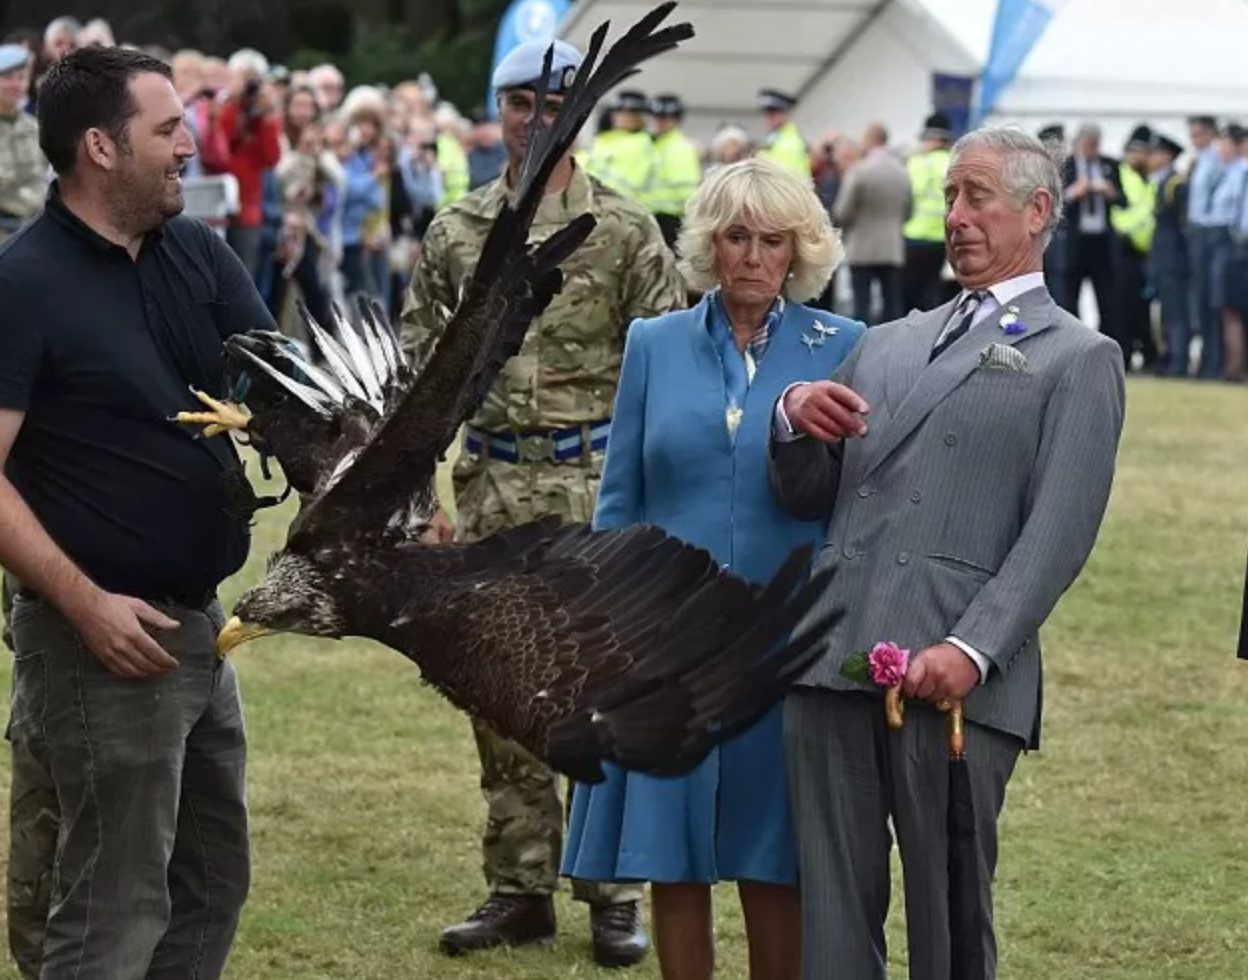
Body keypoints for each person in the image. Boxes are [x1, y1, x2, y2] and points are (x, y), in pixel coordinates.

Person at [768, 125, 1126, 980]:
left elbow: (1059, 533)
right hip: (831, 663)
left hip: (955, 677)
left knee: (951, 924)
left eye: (978, 196)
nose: (957, 215)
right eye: (951, 198)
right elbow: (809, 496)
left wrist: (972, 649)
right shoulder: (885, 341)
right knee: (832, 921)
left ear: (1038, 211)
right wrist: (791, 421)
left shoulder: (1081, 357)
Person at [400, 38, 685, 968]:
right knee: (499, 691)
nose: (534, 118)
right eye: (518, 102)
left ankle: (613, 891)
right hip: (489, 489)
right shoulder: (454, 232)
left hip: (596, 488)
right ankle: (520, 885)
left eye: (552, 101)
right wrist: (416, 498)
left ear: (581, 111)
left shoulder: (628, 231)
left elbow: (672, 372)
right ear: (502, 112)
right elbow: (415, 379)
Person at [0, 45, 274, 979]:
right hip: (100, 643)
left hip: (199, 624)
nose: (190, 145)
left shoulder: (196, 251)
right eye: (167, 129)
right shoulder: (20, 283)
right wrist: (86, 604)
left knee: (209, 884)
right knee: (113, 907)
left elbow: (289, 395)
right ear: (99, 148)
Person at [562, 155, 864, 980]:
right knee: (673, 848)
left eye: (774, 240)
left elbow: (856, 504)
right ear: (708, 244)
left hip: (788, 641)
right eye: (737, 236)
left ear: (801, 250)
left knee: (777, 850)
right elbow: (619, 501)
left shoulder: (847, 348)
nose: (755, 257)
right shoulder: (652, 344)